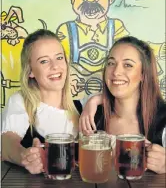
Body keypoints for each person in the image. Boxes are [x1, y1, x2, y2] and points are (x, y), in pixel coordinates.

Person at [79, 36, 166, 174]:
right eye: (111, 63)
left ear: (143, 74)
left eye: (128, 65)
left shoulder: (163, 120)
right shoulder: (91, 111)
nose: (116, 72)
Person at [1, 29, 80, 174]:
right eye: (44, 61)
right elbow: (6, 144)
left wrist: (97, 99)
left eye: (59, 57)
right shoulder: (21, 101)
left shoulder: (82, 107)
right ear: (30, 71)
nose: (55, 66)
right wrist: (24, 156)